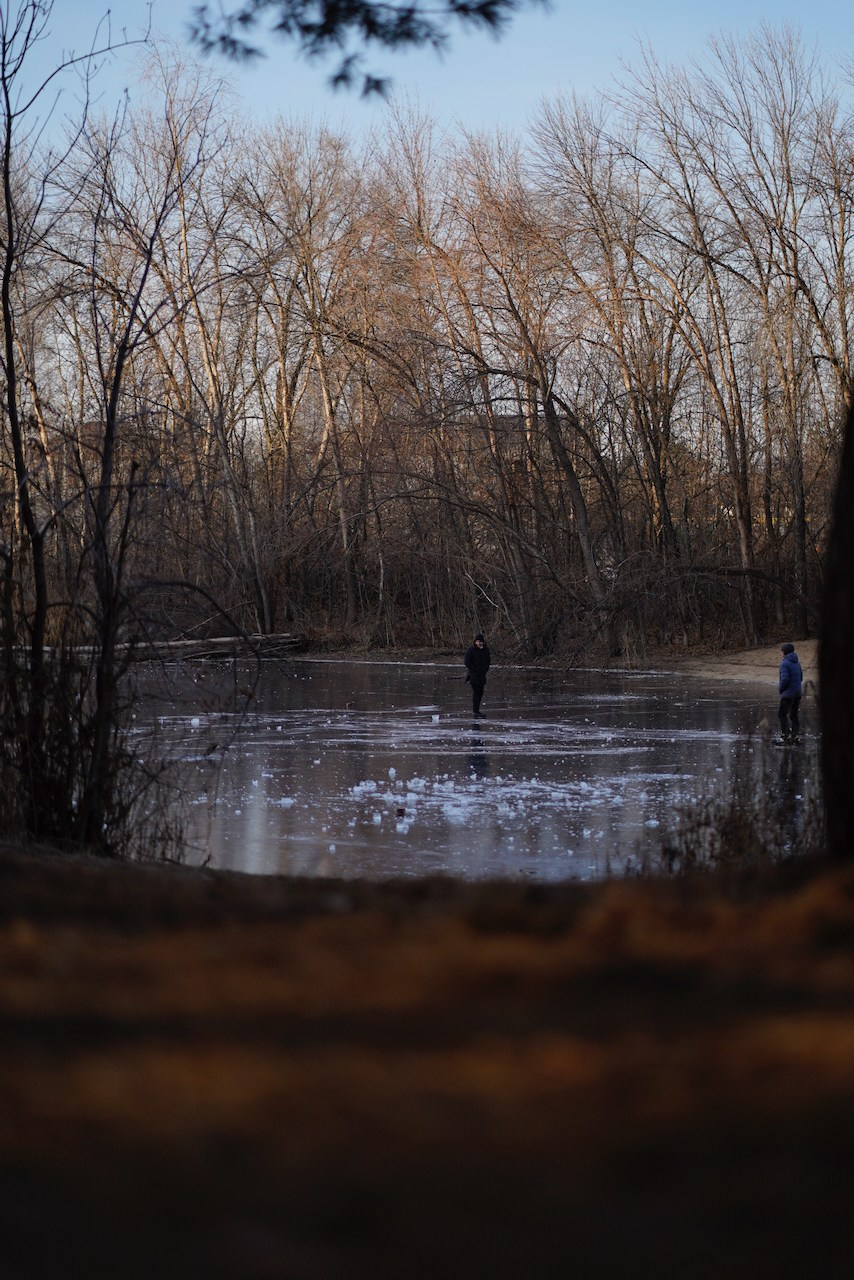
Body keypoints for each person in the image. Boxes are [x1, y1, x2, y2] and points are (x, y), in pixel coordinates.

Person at [778, 641, 804, 743]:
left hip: (788, 694)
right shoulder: (797, 662)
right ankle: (795, 736)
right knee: (794, 715)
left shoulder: (784, 663)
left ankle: (785, 735)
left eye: (781, 651)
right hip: (797, 693)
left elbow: (785, 679)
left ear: (785, 652)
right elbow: (801, 677)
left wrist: (781, 689)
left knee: (781, 714)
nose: (781, 653)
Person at [463, 632, 491, 717]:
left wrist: (485, 669)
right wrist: (474, 670)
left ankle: (477, 710)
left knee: (480, 692)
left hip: (482, 675)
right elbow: (467, 662)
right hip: (473, 675)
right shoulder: (471, 650)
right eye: (478, 641)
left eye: (481, 641)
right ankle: (475, 711)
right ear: (475, 642)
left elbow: (488, 661)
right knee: (476, 692)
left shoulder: (486, 650)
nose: (479, 643)